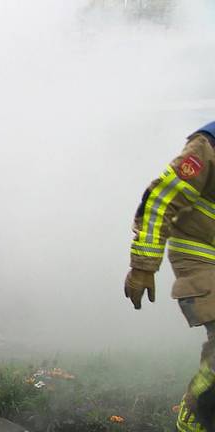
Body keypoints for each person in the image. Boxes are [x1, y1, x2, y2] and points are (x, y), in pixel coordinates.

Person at [125, 122, 215, 432]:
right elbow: (161, 199)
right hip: (201, 258)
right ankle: (198, 414)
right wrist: (142, 266)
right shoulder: (207, 145)